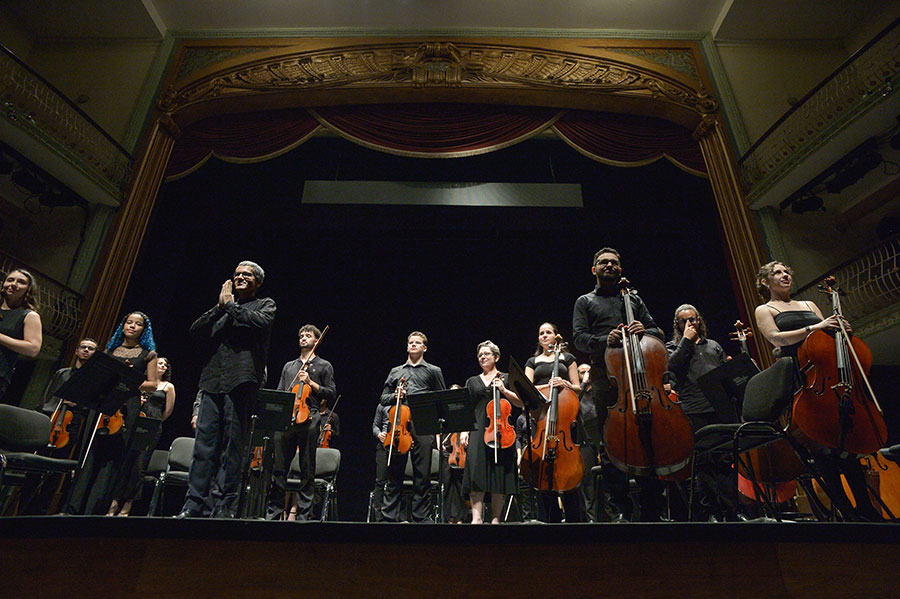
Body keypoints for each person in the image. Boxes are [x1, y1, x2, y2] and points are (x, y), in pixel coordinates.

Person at [753, 260, 882, 522]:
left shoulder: (809, 305)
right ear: (766, 282)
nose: (785, 275)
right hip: (800, 378)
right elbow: (776, 338)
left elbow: (825, 336)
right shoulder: (764, 309)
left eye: (787, 271)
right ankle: (846, 513)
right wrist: (815, 327)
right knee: (820, 449)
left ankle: (866, 509)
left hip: (824, 376)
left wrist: (839, 330)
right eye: (777, 273)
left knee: (845, 445)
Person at [572, 247, 665, 521]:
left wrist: (644, 330)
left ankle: (652, 507)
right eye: (603, 262)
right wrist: (605, 341)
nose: (609, 266)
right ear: (594, 269)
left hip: (641, 376)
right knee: (610, 442)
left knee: (648, 438)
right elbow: (578, 338)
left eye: (614, 263)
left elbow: (656, 330)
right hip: (606, 378)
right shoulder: (585, 301)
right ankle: (621, 507)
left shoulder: (633, 299)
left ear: (620, 270)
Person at [178, 261, 275, 519]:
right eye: (237, 273)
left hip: (241, 382)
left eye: (247, 274)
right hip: (212, 381)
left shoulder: (266, 304)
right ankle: (193, 504)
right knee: (203, 447)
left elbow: (258, 322)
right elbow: (195, 331)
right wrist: (219, 308)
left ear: (258, 282)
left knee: (233, 447)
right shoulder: (222, 308)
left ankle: (224, 504)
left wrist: (230, 306)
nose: (240, 276)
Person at [65, 311, 159, 515]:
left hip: (127, 405)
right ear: (123, 325)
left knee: (112, 459)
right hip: (103, 403)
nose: (132, 326)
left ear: (144, 329)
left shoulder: (148, 354)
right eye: (129, 322)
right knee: (90, 452)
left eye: (138, 324)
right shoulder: (110, 350)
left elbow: (152, 385)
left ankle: (96, 508)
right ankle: (74, 507)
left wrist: (130, 379)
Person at [665, 304, 737, 520]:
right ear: (677, 324)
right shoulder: (672, 347)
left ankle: (732, 512)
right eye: (684, 320)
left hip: (719, 408)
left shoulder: (713, 345)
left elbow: (726, 373)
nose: (690, 323)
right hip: (694, 410)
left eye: (693, 319)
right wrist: (686, 341)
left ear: (699, 320)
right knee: (704, 463)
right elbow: (671, 367)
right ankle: (712, 513)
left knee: (725, 461)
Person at [266, 324, 336, 521]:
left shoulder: (324, 366)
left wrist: (311, 383)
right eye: (301, 336)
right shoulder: (290, 366)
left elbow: (331, 393)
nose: (304, 338)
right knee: (279, 469)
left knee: (307, 469)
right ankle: (274, 513)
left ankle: (304, 516)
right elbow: (281, 391)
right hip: (287, 420)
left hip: (310, 418)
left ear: (316, 340)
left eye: (308, 336)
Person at [379, 331, 446, 522]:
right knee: (395, 471)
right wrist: (395, 396)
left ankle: (421, 516)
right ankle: (389, 516)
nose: (413, 345)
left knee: (422, 473)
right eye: (411, 342)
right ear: (407, 346)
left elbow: (441, 397)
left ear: (424, 348)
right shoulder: (396, 371)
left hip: (423, 422)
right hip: (400, 422)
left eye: (418, 343)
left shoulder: (434, 371)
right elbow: (383, 399)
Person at [524, 323, 585, 523]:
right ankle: (549, 518)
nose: (544, 336)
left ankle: (575, 518)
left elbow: (578, 387)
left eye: (548, 332)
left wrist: (565, 383)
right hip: (542, 417)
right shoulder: (533, 361)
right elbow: (527, 388)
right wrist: (546, 386)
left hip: (565, 417)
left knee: (569, 469)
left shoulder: (567, 358)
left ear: (556, 336)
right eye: (541, 333)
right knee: (542, 467)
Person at [459, 341, 522, 524]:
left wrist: (503, 390)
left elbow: (520, 402)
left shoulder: (507, 378)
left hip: (502, 432)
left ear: (496, 357)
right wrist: (464, 431)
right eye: (480, 355)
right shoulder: (472, 381)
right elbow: (466, 408)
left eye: (486, 354)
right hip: (478, 430)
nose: (483, 357)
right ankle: (476, 519)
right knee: (476, 473)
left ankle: (496, 520)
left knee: (498, 474)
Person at [41, 338, 98, 459]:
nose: (86, 350)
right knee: (41, 452)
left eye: (91, 349)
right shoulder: (62, 373)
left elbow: (94, 403)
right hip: (55, 416)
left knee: (62, 456)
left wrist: (78, 404)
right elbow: (48, 396)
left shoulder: (94, 380)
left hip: (75, 420)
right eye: (83, 347)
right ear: (77, 351)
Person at [0, 268, 42, 403]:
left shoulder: (29, 316)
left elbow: (33, 348)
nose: (13, 284)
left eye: (21, 282)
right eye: (10, 280)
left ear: (28, 290)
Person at [370, 402, 390, 521]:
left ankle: (396, 514)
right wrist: (379, 434)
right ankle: (378, 516)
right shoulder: (382, 405)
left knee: (397, 481)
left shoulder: (406, 404)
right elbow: (375, 425)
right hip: (383, 445)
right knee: (380, 481)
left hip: (401, 445)